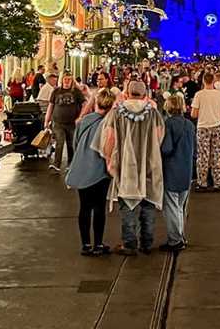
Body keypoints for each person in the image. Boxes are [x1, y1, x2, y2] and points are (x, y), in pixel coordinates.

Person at [99, 81, 165, 255]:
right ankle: (147, 241)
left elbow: (110, 138)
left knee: (127, 203)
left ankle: (129, 242)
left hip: (124, 164)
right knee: (148, 202)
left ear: (127, 94)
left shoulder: (116, 112)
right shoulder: (154, 113)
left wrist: (108, 159)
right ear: (145, 95)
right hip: (149, 163)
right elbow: (159, 136)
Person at [66, 89, 116, 255]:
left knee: (85, 207)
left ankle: (86, 244)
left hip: (82, 166)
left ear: (96, 103)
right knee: (99, 207)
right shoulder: (109, 125)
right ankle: (99, 244)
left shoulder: (83, 122)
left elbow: (76, 142)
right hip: (100, 169)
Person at [159, 92, 195, 249]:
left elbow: (166, 149)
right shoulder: (190, 125)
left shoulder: (168, 124)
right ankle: (180, 235)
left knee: (171, 206)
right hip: (186, 169)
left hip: (172, 169)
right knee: (181, 206)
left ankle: (175, 239)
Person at [191, 70, 220, 190]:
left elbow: (194, 114)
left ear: (203, 81)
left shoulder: (199, 95)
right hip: (217, 126)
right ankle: (218, 182)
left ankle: (202, 182)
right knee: (217, 155)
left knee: (203, 155)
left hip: (203, 127)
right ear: (214, 81)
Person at [47, 74, 87, 172]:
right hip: (58, 122)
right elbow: (50, 106)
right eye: (65, 79)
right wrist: (46, 120)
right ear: (62, 80)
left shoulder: (76, 92)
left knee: (71, 143)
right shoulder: (56, 91)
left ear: (72, 80)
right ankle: (56, 164)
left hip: (72, 123)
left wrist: (81, 117)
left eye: (69, 79)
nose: (67, 81)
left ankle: (71, 164)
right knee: (59, 141)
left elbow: (84, 104)